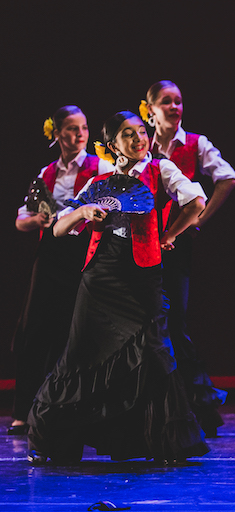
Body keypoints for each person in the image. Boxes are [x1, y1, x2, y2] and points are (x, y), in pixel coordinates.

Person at [28, 111, 208, 463]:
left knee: (155, 352)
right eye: (129, 134)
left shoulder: (160, 170)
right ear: (112, 145)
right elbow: (58, 229)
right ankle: (51, 440)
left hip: (143, 275)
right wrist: (83, 212)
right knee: (80, 356)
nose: (140, 139)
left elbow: (196, 202)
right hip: (101, 277)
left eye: (142, 132)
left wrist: (169, 234)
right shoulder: (99, 182)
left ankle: (163, 443)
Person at [10, 106, 114, 435]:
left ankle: (83, 408)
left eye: (83, 127)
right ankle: (24, 409)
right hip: (52, 254)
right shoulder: (46, 174)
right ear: (55, 133)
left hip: (86, 252)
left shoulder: (101, 166)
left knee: (79, 330)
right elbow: (21, 218)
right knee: (34, 327)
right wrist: (37, 220)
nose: (80, 134)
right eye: (71, 128)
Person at [143, 80, 235, 436]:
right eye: (166, 102)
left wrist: (197, 219)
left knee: (175, 321)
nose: (174, 107)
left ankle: (193, 405)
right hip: (139, 243)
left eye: (178, 101)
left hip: (175, 245)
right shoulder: (140, 142)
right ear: (149, 109)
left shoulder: (195, 144)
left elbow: (227, 179)